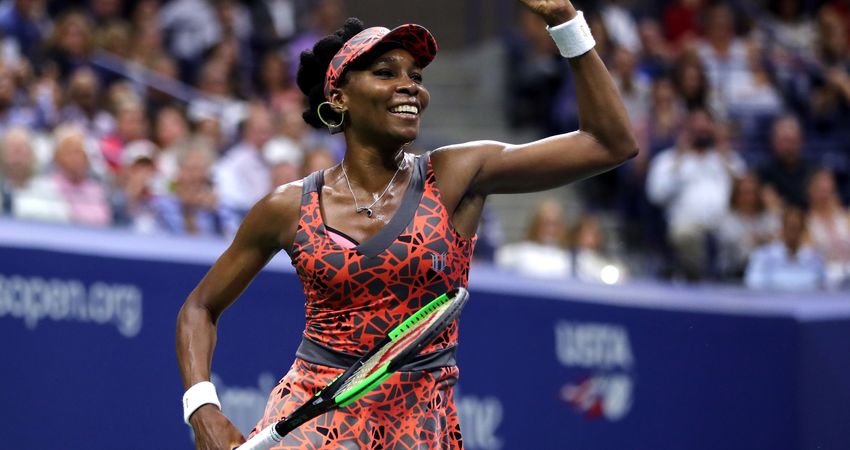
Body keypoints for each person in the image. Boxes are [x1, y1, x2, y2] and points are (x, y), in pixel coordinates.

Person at [176, 1, 637, 448]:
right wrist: (203, 409)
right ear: (338, 96)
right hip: (311, 424)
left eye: (415, 77)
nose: (410, 87)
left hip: (421, 429)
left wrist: (564, 21)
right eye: (385, 73)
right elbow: (199, 308)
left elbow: (609, 143)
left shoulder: (455, 176)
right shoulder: (287, 207)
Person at [745, 207, 826, 291]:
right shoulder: (763, 255)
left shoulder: (814, 257)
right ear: (782, 228)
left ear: (803, 230)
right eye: (790, 227)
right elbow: (753, 285)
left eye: (797, 228)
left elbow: (822, 286)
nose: (793, 233)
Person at [496, 199, 572, 279]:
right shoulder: (516, 252)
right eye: (545, 223)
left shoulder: (567, 259)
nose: (550, 229)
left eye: (554, 224)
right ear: (535, 223)